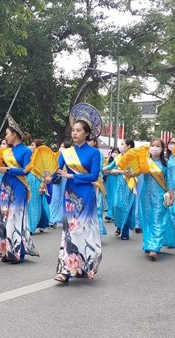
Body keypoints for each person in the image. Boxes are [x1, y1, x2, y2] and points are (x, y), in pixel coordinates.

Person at [53, 103, 102, 282]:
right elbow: (56, 171)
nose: (74, 133)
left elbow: (94, 176)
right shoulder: (66, 153)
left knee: (83, 230)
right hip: (70, 195)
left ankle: (84, 265)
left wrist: (72, 176)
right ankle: (66, 269)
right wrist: (47, 176)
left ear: (87, 133)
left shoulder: (94, 153)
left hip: (86, 195)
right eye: (73, 130)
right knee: (69, 231)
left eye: (79, 130)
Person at [0, 115, 39, 264]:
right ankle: (5, 251)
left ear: (14, 134)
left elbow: (25, 171)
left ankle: (17, 253)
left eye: (7, 134)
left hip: (18, 186)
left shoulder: (25, 151)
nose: (6, 137)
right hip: (5, 186)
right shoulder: (6, 152)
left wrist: (8, 169)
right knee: (3, 218)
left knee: (15, 219)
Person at [138, 139, 175, 261]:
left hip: (160, 195)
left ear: (162, 148)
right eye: (152, 145)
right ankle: (148, 244)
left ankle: (155, 247)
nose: (155, 148)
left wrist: (171, 194)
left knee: (157, 220)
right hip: (146, 195)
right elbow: (135, 172)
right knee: (148, 220)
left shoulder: (166, 163)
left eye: (157, 146)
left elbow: (169, 180)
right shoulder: (145, 162)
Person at [103, 139, 136, 240]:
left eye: (123, 144)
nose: (121, 146)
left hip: (128, 184)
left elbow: (131, 171)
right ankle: (118, 226)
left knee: (126, 207)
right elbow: (109, 167)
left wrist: (117, 171)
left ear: (129, 146)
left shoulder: (133, 157)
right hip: (118, 185)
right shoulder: (118, 157)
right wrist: (99, 169)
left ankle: (125, 232)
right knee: (116, 206)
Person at [27, 138, 50, 234]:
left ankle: (31, 227)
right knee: (28, 203)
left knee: (34, 203)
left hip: (37, 181)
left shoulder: (41, 158)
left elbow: (45, 172)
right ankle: (31, 224)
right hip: (28, 180)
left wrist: (43, 184)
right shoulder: (28, 156)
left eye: (33, 145)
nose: (31, 147)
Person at [88, 138, 107, 236]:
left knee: (97, 207)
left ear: (95, 142)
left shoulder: (99, 154)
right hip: (86, 182)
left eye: (89, 140)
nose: (88, 142)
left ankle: (98, 232)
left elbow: (99, 168)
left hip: (96, 182)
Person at [104, 147, 120, 222]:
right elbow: (105, 169)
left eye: (117, 152)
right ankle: (109, 214)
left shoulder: (120, 160)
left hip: (117, 179)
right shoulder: (109, 161)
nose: (115, 153)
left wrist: (110, 171)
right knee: (109, 197)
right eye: (114, 152)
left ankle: (114, 214)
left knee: (115, 197)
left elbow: (117, 171)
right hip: (110, 179)